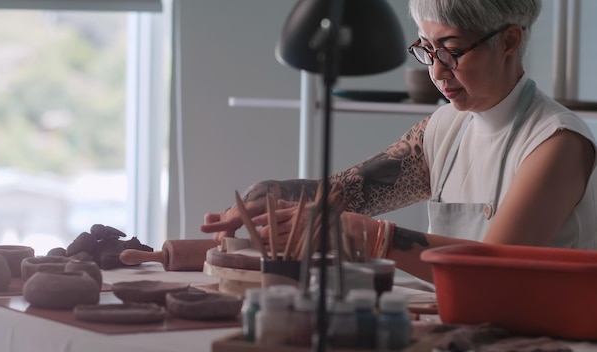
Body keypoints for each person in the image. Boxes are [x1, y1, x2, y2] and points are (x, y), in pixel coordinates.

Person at [201, 0, 597, 283]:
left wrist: (368, 236)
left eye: (452, 51)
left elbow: (491, 272)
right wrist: (269, 196)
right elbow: (346, 193)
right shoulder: (446, 127)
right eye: (427, 49)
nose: (437, 72)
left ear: (510, 41)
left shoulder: (555, 142)